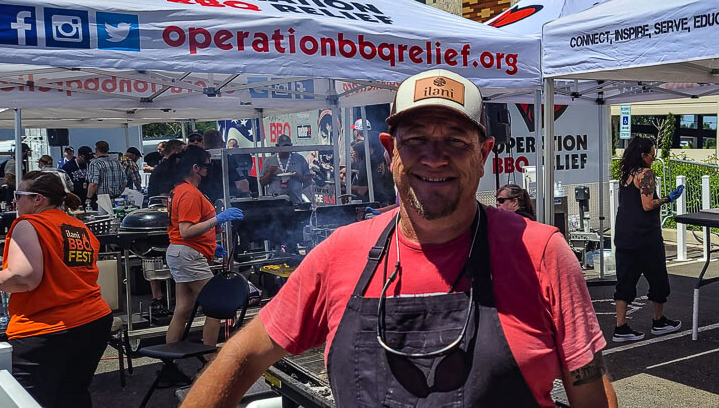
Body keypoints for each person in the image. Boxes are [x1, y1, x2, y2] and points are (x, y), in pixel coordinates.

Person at [184, 69, 616, 408]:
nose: (434, 157)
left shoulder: (540, 252)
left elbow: (591, 394)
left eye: (455, 140)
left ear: (484, 155)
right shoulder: (340, 253)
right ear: (390, 152)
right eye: (415, 141)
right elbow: (243, 353)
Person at [0, 171, 112, 407]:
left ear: (37, 199)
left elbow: (24, 278)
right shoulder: (77, 226)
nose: (14, 201)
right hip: (93, 320)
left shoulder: (29, 223)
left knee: (28, 400)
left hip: (46, 327)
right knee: (73, 394)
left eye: (18, 195)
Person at [165, 146, 244, 348]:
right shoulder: (189, 193)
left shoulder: (179, 190)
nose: (208, 170)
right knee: (217, 303)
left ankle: (169, 360)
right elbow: (186, 230)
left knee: (183, 308)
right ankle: (209, 357)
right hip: (187, 253)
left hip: (183, 252)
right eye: (206, 166)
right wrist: (218, 219)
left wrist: (210, 245)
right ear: (195, 168)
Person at [612, 136, 684, 342]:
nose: (654, 157)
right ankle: (659, 321)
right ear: (644, 155)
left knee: (624, 283)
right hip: (646, 238)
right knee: (659, 281)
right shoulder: (645, 174)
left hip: (625, 238)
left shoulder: (626, 175)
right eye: (653, 153)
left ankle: (621, 327)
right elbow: (647, 204)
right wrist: (668, 198)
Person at [259, 134, 313, 205]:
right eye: (283, 147)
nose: (286, 149)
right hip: (275, 204)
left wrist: (297, 176)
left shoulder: (300, 159)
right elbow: (262, 183)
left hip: (295, 202)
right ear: (277, 147)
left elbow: (309, 180)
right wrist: (270, 172)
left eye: (288, 146)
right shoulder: (269, 160)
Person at [351, 139, 396, 206]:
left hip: (375, 203)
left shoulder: (367, 162)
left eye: (354, 151)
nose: (352, 154)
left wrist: (347, 187)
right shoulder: (384, 159)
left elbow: (362, 190)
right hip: (390, 200)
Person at [85, 141, 127, 210]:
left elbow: (93, 184)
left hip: (103, 200)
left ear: (96, 150)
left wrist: (88, 198)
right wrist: (119, 192)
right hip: (118, 200)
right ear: (108, 150)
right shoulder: (117, 162)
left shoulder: (95, 163)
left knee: (105, 219)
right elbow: (124, 182)